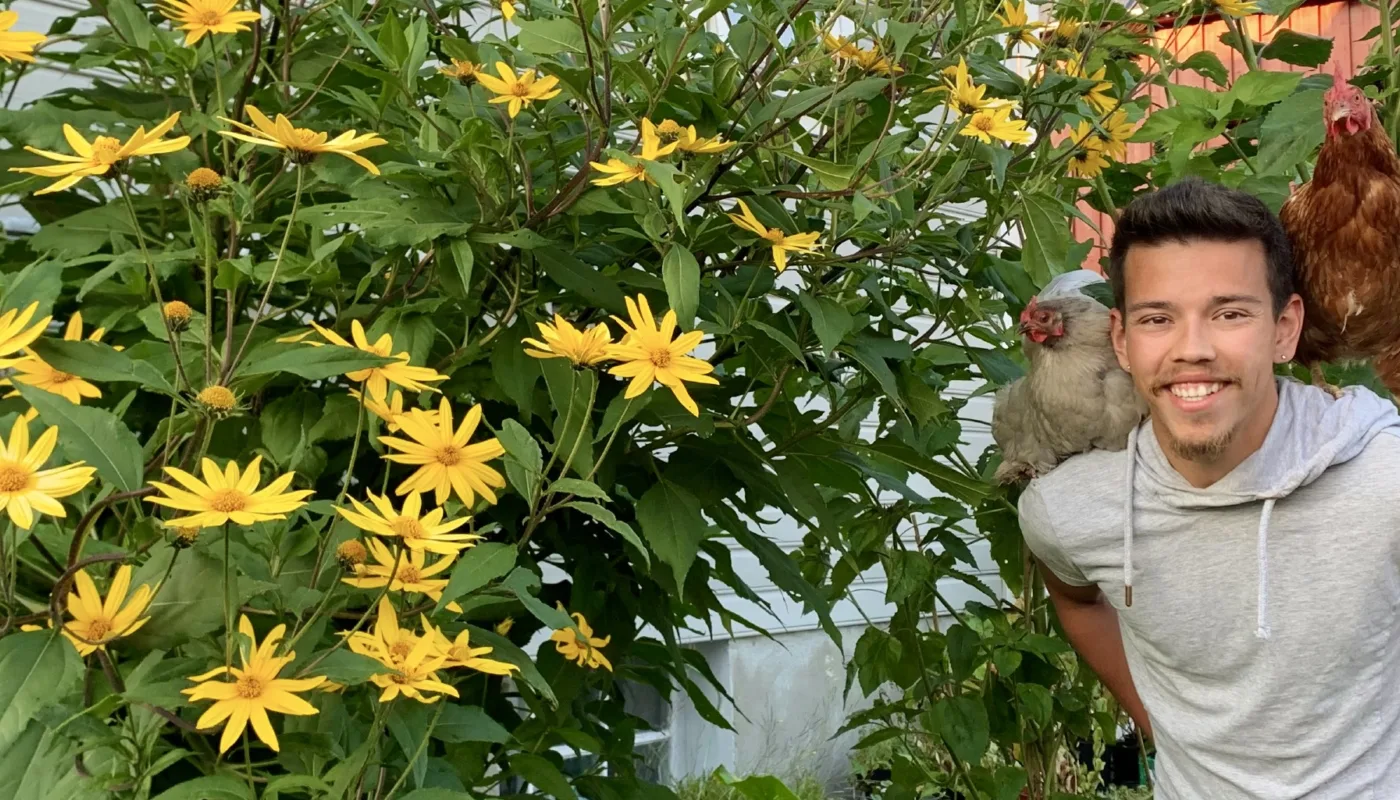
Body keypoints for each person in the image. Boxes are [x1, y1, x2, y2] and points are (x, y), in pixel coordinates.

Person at [1018, 177, 1400, 798]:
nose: (1192, 349)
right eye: (1158, 318)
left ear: (1285, 329)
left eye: (1229, 314)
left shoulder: (1385, 480)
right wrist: (1157, 724)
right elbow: (1077, 598)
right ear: (1121, 339)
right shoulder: (1069, 511)